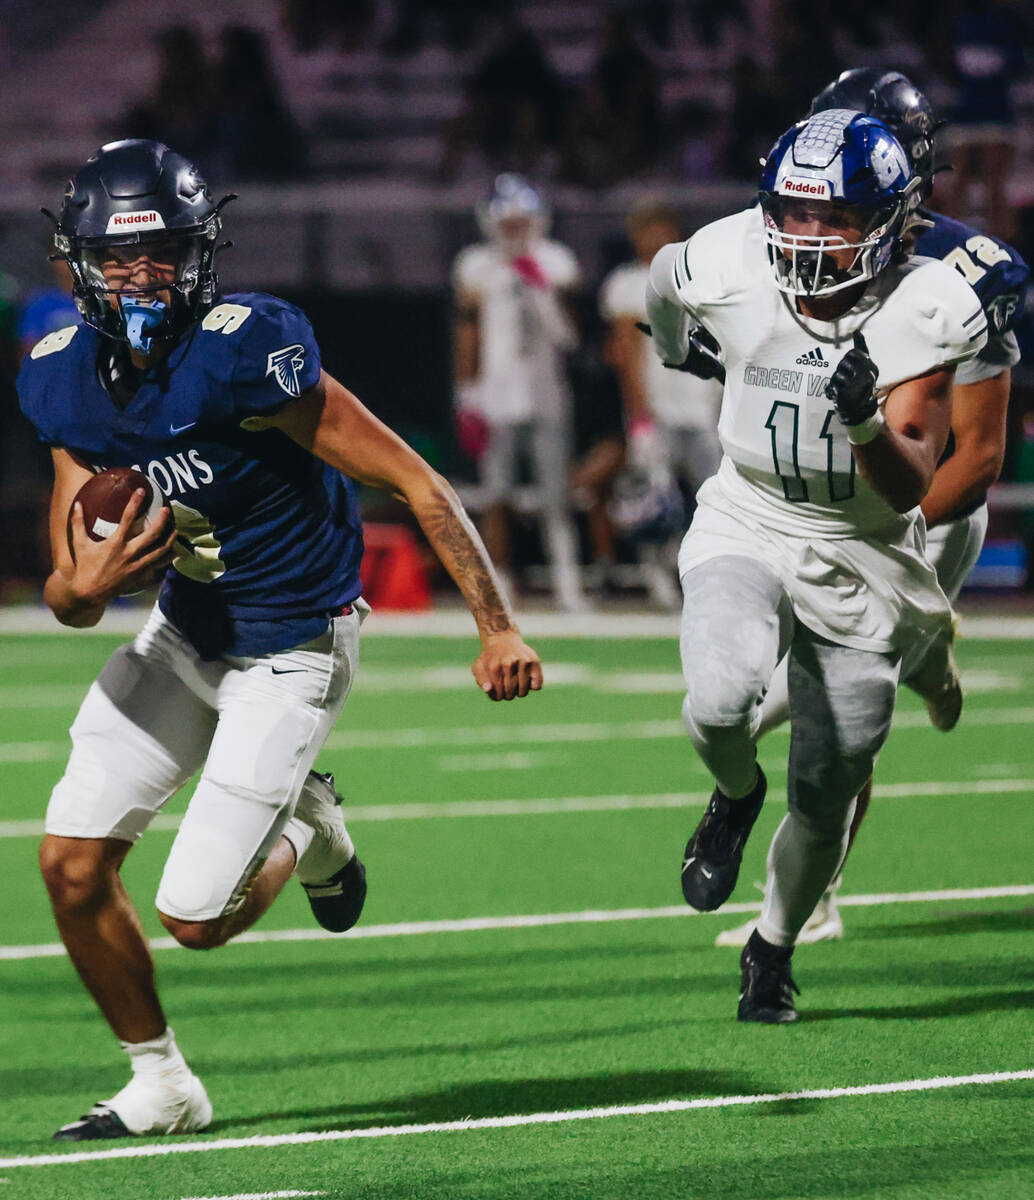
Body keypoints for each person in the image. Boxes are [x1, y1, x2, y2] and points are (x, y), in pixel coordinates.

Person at [18, 139, 543, 1141]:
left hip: (296, 636)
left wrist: (495, 624)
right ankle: (161, 1081)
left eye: (162, 252)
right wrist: (78, 588)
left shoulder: (245, 347)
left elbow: (415, 481)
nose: (141, 277)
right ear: (76, 263)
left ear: (200, 252)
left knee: (195, 918)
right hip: (187, 628)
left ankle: (308, 828)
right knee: (69, 866)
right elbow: (70, 592)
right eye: (119, 257)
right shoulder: (60, 379)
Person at [645, 109, 987, 1022]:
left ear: (889, 222)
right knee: (719, 699)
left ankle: (773, 944)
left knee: (831, 789)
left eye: (833, 218)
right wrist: (682, 349)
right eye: (793, 214)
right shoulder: (728, 256)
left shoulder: (928, 304)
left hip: (863, 551)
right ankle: (733, 793)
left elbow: (913, 480)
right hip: (748, 513)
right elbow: (661, 280)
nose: (806, 237)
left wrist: (867, 421)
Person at [713, 68, 1030, 949]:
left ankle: (813, 895)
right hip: (810, 504)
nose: (815, 214)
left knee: (830, 706)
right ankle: (929, 657)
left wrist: (885, 530)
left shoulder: (961, 273)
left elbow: (978, 457)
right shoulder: (774, 246)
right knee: (751, 674)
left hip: (919, 513)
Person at [452, 173, 587, 610]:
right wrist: (466, 395)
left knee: (555, 496)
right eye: (507, 223)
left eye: (521, 222)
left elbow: (569, 338)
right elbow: (467, 333)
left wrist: (541, 289)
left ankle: (568, 583)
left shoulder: (556, 260)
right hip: (495, 397)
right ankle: (500, 587)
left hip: (547, 394)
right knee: (497, 496)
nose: (515, 232)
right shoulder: (476, 265)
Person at [600, 198, 723, 608]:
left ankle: (705, 576)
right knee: (658, 503)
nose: (655, 239)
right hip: (657, 409)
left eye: (662, 230)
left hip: (701, 407)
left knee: (716, 499)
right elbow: (626, 354)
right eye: (647, 231)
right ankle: (657, 576)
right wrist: (639, 417)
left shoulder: (700, 278)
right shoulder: (627, 283)